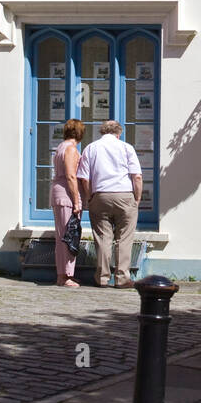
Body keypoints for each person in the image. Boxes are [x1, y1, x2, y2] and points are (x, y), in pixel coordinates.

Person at [77, 119, 142, 288]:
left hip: (101, 195)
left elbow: (84, 178)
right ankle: (122, 278)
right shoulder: (127, 148)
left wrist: (90, 196)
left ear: (102, 132)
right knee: (124, 238)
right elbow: (137, 176)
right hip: (124, 195)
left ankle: (102, 278)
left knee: (103, 238)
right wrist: (137, 198)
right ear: (118, 133)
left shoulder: (91, 148)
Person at [50, 119, 84, 288]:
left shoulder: (61, 147)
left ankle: (63, 274)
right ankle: (65, 276)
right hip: (66, 195)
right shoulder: (70, 149)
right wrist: (77, 200)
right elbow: (71, 176)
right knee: (68, 235)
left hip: (60, 192)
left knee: (63, 235)